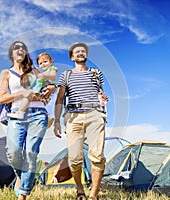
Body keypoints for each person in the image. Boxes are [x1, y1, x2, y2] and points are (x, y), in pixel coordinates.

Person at [0, 41, 55, 200]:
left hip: (38, 113)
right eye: (16, 48)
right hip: (17, 113)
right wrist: (22, 93)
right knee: (13, 152)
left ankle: (23, 195)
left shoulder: (33, 70)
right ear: (12, 54)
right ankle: (21, 176)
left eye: (23, 48)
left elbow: (48, 85)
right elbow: (2, 98)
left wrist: (51, 88)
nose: (20, 50)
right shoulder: (6, 73)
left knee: (31, 152)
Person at [54, 42, 108, 200]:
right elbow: (59, 98)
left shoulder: (96, 73)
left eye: (83, 51)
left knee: (97, 156)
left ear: (86, 55)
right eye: (77, 51)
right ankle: (80, 190)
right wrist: (57, 120)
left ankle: (93, 195)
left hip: (95, 114)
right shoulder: (66, 75)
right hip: (73, 117)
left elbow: (100, 93)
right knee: (75, 159)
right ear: (72, 57)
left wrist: (103, 98)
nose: (80, 53)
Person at [7, 52, 57, 128]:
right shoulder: (42, 72)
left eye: (45, 62)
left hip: (42, 90)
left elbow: (52, 77)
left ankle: (20, 112)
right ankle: (47, 115)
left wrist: (52, 86)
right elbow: (39, 75)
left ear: (51, 61)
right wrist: (35, 69)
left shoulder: (51, 69)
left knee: (28, 97)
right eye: (40, 63)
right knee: (33, 100)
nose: (43, 64)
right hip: (40, 92)